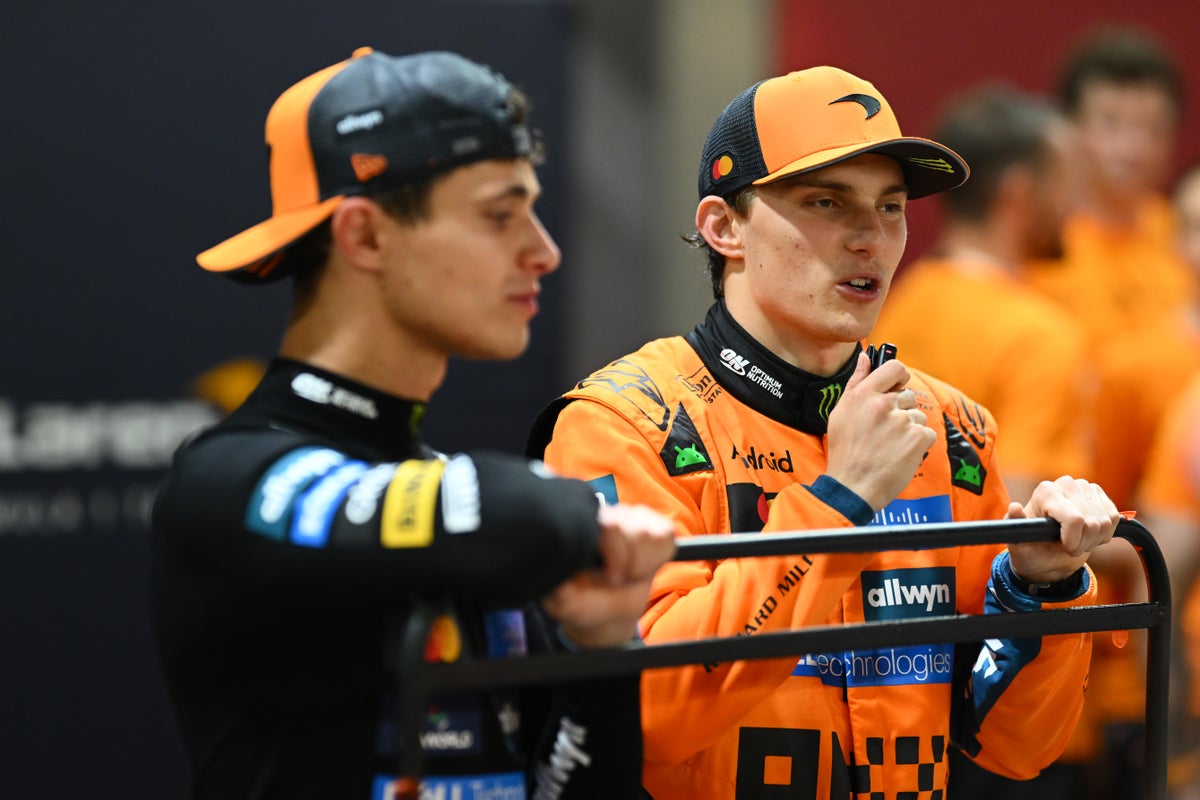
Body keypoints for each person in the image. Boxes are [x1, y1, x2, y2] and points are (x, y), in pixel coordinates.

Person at [527, 65, 1121, 798]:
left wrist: (1039, 588)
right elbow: (644, 711)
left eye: (890, 206)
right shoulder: (622, 424)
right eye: (826, 202)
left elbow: (1017, 747)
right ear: (724, 227)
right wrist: (841, 500)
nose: (871, 238)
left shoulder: (952, 430)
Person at [149, 47, 677, 800]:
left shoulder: (450, 502)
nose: (544, 251)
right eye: (499, 215)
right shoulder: (225, 483)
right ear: (364, 236)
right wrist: (565, 508)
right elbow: (513, 511)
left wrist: (601, 653)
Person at [870, 84, 1094, 504]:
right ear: (1018, 192)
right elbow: (1021, 517)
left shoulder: (893, 304)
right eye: (1063, 182)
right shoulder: (1041, 336)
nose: (1074, 205)